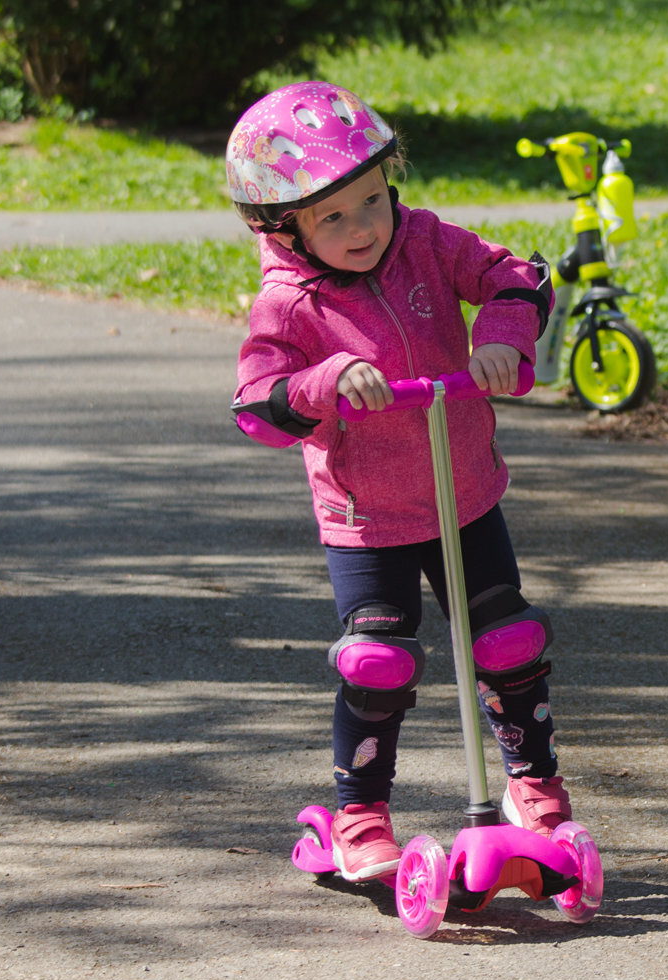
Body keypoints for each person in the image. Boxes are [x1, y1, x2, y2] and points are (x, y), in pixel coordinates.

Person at [226, 81, 573, 882]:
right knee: (378, 660)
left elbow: (516, 277)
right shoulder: (288, 302)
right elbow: (258, 407)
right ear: (285, 228)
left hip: (465, 492)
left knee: (509, 643)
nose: (364, 227)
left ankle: (536, 788)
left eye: (373, 200)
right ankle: (360, 814)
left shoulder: (424, 242)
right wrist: (326, 380)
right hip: (368, 515)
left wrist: (500, 339)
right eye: (334, 217)